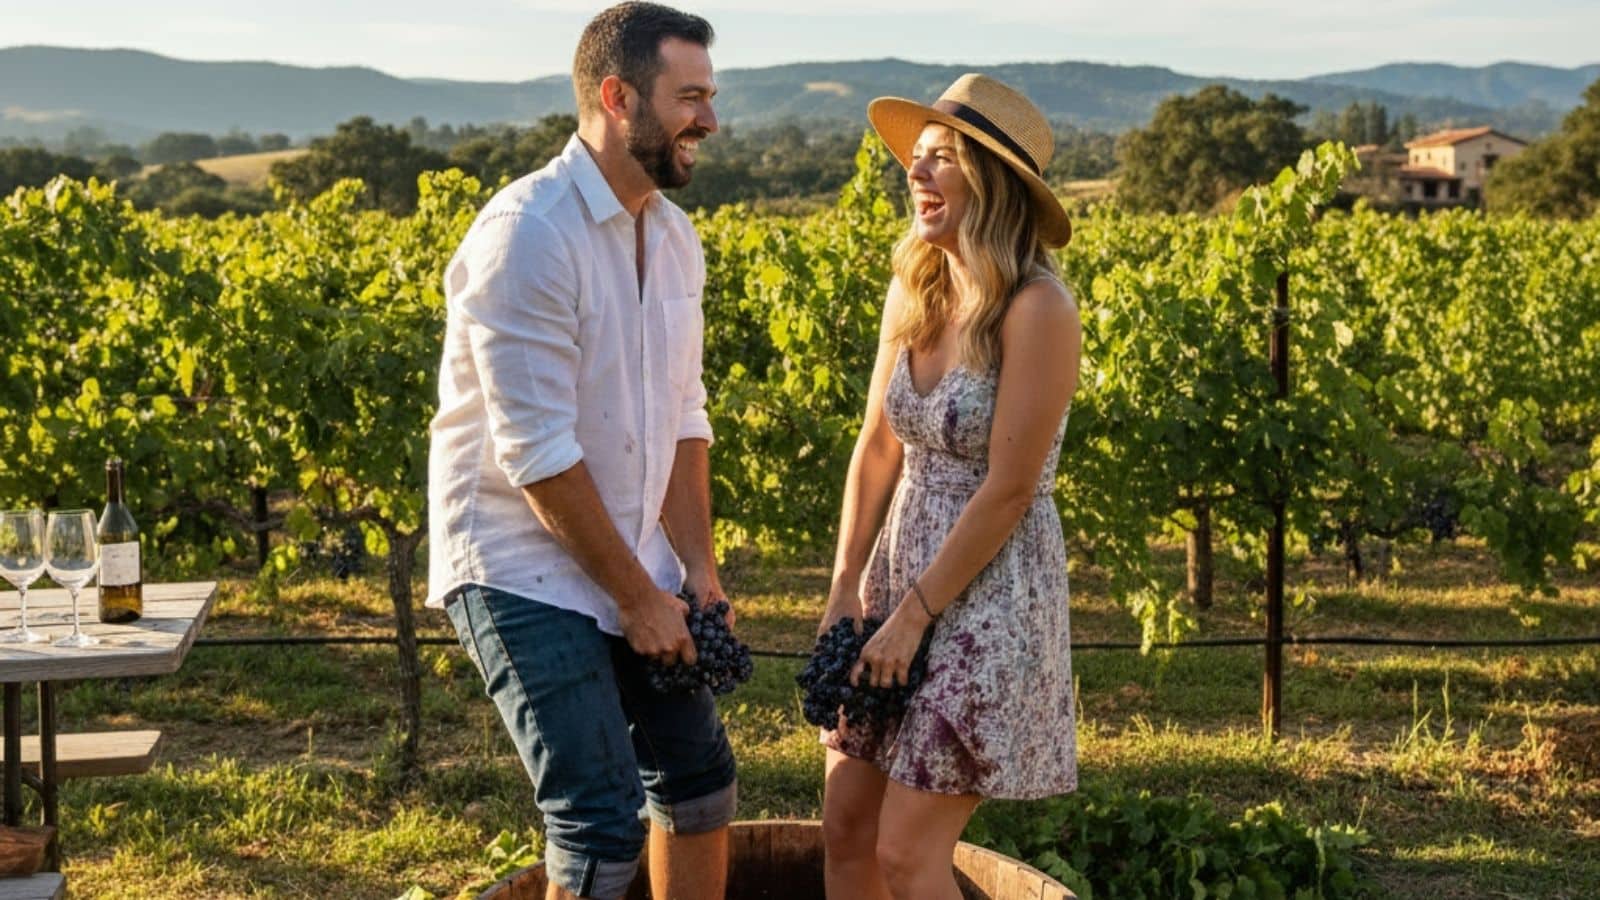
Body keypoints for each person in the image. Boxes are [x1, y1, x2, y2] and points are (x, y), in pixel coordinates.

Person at [425, 4, 735, 899]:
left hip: (630, 552)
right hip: (520, 561)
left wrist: (696, 571)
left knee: (701, 784)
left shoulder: (675, 241)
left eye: (709, 97)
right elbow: (537, 457)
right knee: (599, 817)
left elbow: (684, 417)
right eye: (689, 98)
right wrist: (638, 602)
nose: (708, 121)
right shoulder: (529, 235)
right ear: (616, 97)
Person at [817, 73, 1083, 900]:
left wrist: (913, 617)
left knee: (906, 854)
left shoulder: (1036, 308)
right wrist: (844, 587)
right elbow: (876, 446)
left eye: (943, 159)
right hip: (895, 574)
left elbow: (1009, 489)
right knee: (846, 830)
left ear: (992, 181)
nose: (917, 173)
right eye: (916, 158)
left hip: (985, 593)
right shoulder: (916, 284)